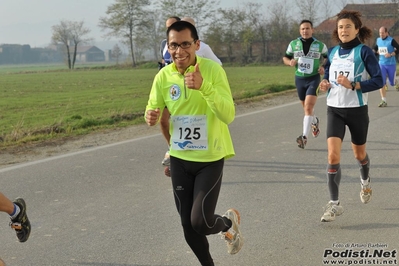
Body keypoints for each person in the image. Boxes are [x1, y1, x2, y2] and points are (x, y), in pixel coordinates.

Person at [145, 21, 243, 265]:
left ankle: (228, 224)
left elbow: (228, 114)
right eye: (173, 46)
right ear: (168, 48)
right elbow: (153, 107)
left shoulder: (212, 71)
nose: (179, 51)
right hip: (179, 157)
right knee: (188, 226)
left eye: (185, 44)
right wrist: (150, 115)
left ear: (197, 44)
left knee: (200, 221)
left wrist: (204, 87)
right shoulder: (164, 76)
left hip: (209, 158)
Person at [318, 10, 383, 222]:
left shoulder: (364, 52)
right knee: (332, 156)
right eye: (340, 27)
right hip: (334, 108)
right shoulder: (334, 52)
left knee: (359, 155)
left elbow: (379, 80)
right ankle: (334, 204)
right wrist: (325, 83)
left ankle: (365, 181)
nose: (343, 30)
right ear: (336, 31)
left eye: (347, 26)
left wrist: (355, 85)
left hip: (356, 110)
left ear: (356, 29)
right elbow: (328, 75)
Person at [160, 16, 222, 169]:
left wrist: (206, 81)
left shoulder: (203, 47)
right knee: (163, 121)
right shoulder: (165, 45)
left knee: (194, 121)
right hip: (173, 89)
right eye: (169, 27)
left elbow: (218, 65)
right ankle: (173, 148)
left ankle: (202, 151)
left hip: (197, 89)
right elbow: (165, 63)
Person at [283, 19, 328, 149]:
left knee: (308, 107)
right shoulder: (293, 44)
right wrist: (289, 62)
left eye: (307, 28)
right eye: (303, 29)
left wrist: (323, 67)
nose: (305, 31)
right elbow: (285, 57)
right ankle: (314, 121)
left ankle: (304, 137)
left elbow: (327, 57)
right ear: (300, 30)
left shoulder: (320, 45)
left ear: (312, 30)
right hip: (299, 79)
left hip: (313, 79)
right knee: (306, 109)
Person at [373, 26, 399, 107]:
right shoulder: (378, 40)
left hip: (391, 64)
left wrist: (391, 54)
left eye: (383, 33)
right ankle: (383, 100)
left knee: (392, 82)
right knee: (381, 82)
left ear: (386, 33)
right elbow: (375, 48)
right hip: (381, 64)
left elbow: (398, 49)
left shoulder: (391, 40)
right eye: (380, 33)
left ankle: (396, 83)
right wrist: (375, 52)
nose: (381, 35)